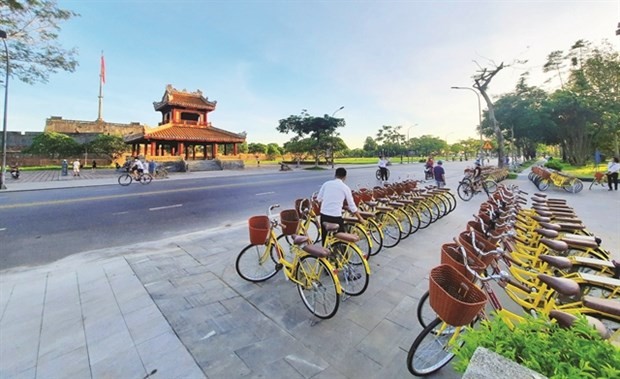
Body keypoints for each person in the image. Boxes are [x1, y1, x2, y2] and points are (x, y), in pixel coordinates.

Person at [316, 167, 364, 246]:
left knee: (325, 238)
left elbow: (319, 199)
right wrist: (360, 218)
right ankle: (342, 254)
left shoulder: (326, 184)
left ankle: (325, 254)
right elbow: (352, 206)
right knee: (341, 237)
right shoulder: (345, 188)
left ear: (335, 175)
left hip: (324, 216)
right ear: (345, 177)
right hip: (336, 217)